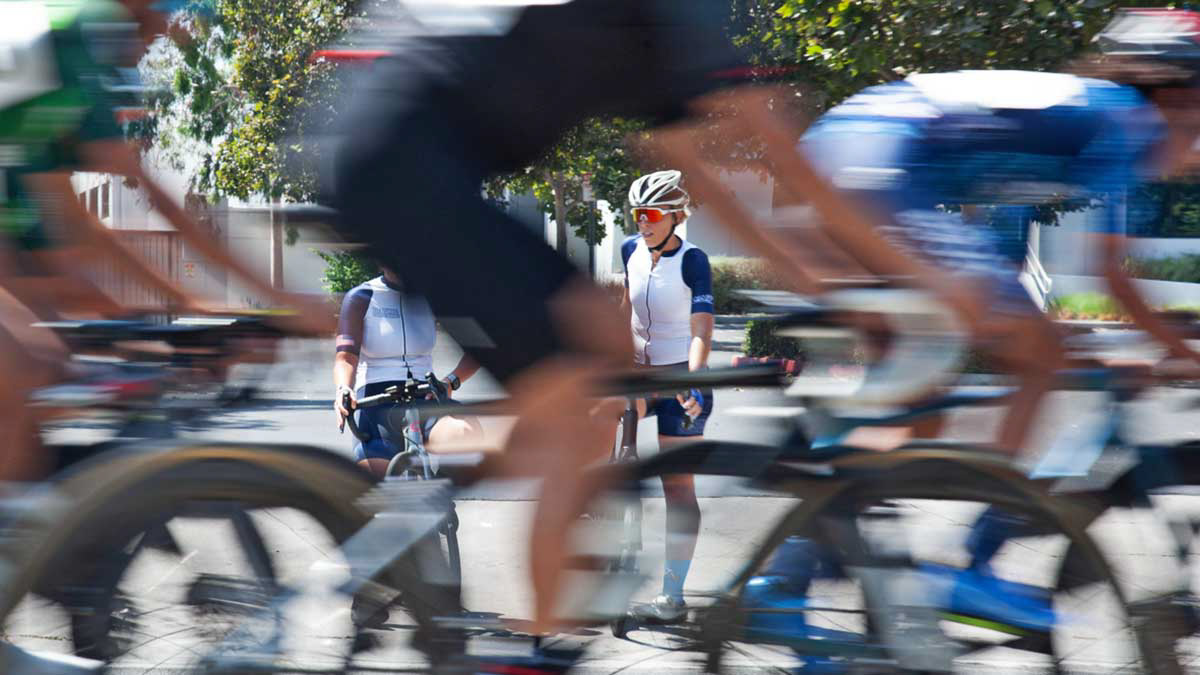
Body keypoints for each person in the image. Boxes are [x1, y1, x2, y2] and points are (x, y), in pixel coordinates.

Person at [619, 170, 714, 622]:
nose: (643, 222)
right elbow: (625, 313)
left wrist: (692, 381)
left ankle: (672, 593)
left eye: (652, 214)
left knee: (676, 488)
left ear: (675, 216)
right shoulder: (629, 251)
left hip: (681, 378)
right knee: (606, 448)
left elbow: (701, 330)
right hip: (638, 375)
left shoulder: (693, 261)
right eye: (638, 214)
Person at [333, 266, 480, 478]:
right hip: (377, 402)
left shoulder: (434, 296)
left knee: (465, 433)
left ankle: (442, 497)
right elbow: (345, 357)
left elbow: (481, 348)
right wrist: (343, 388)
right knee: (373, 483)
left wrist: (451, 382)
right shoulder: (361, 297)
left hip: (425, 395)